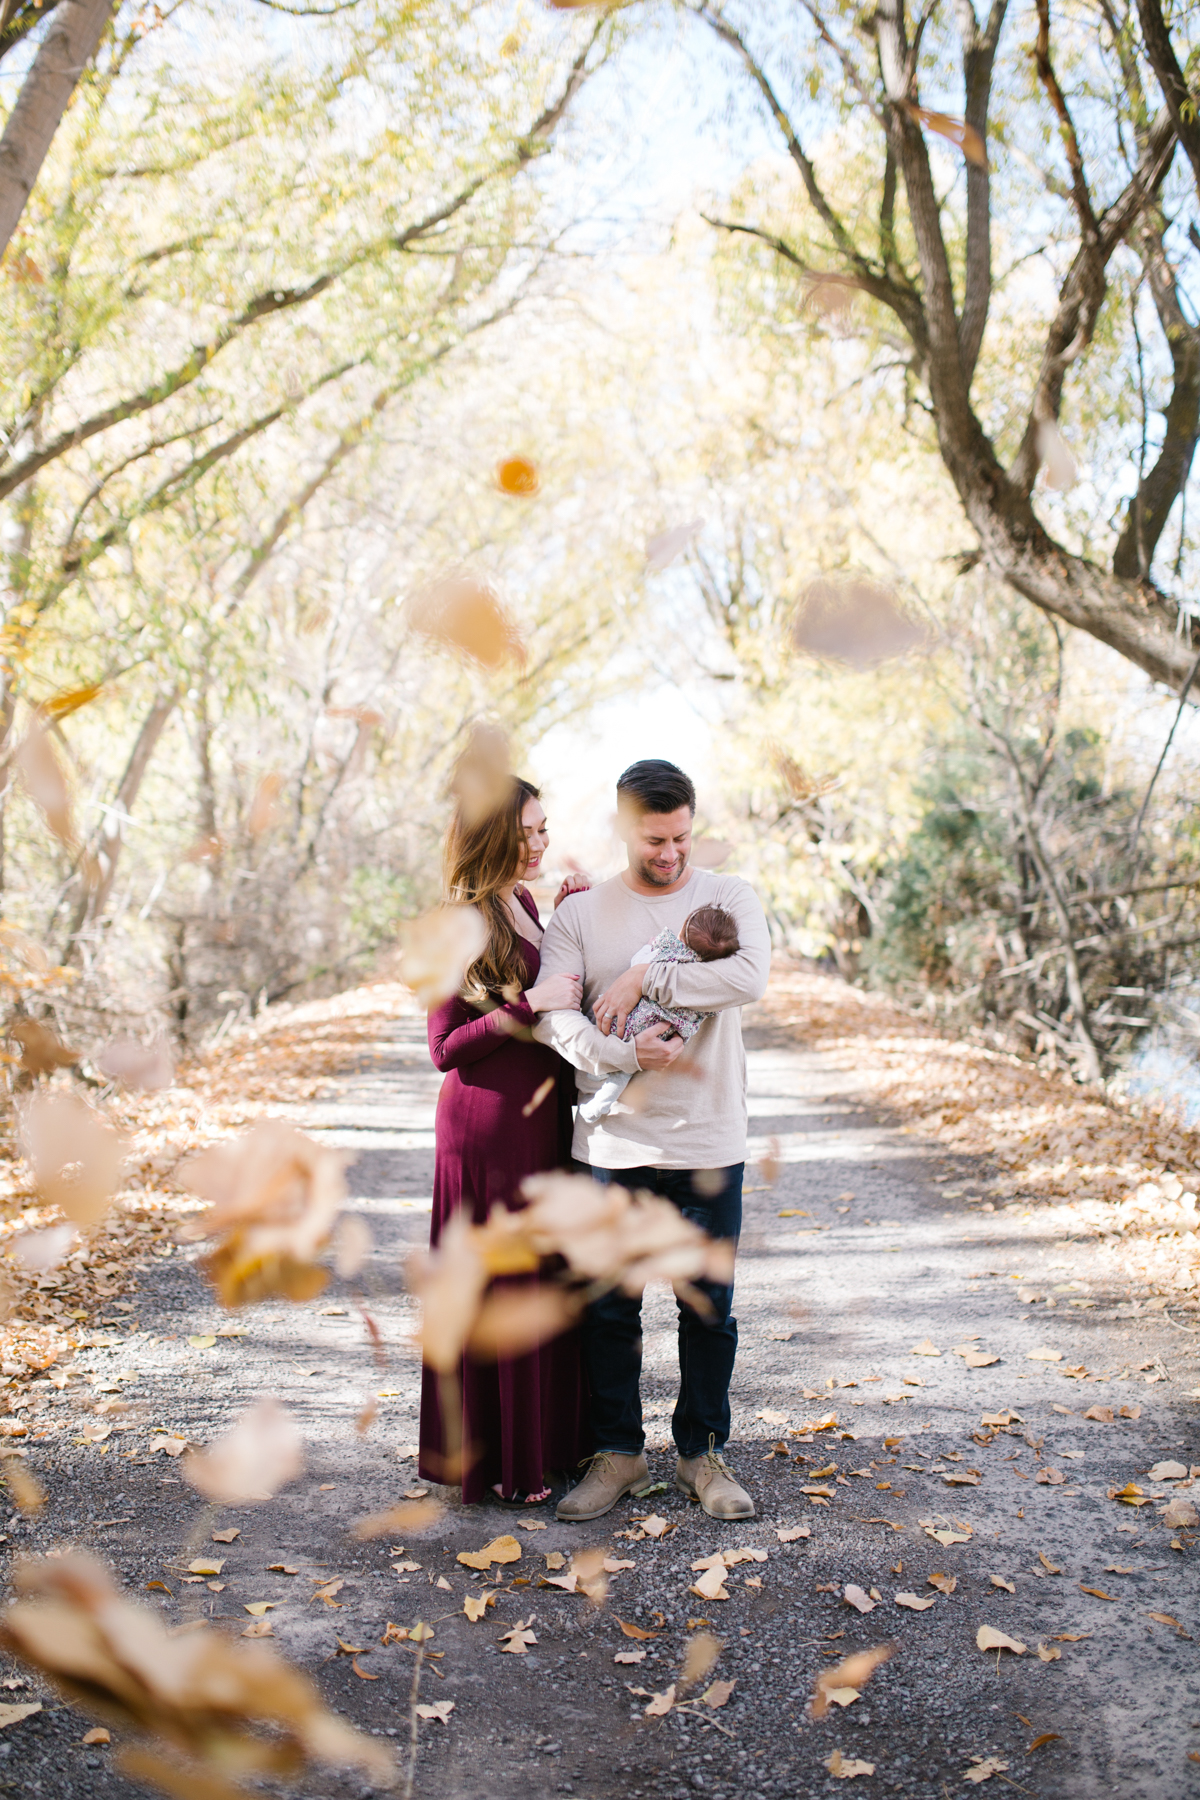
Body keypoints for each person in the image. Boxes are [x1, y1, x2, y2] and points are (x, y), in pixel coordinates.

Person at [532, 759, 771, 1521]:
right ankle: (619, 1455)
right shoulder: (579, 916)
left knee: (708, 1310)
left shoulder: (728, 896)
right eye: (652, 839)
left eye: (680, 838)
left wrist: (646, 982)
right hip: (613, 1147)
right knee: (608, 1308)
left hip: (707, 1142)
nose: (669, 853)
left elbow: (749, 979)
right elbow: (555, 1016)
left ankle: (703, 1455)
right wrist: (622, 1055)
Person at [418, 776, 588, 1506]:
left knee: (542, 1280)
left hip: (538, 1121)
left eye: (545, 828)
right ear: (493, 838)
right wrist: (527, 1007)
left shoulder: (521, 903)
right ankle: (500, 1466)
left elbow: (556, 987)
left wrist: (573, 915)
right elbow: (445, 1046)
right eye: (528, 832)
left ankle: (541, 1449)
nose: (542, 842)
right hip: (486, 1131)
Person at [577, 905, 740, 1122]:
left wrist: (648, 949)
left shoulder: (669, 949)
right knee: (622, 1075)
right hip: (660, 1033)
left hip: (631, 1022)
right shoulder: (705, 972)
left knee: (604, 1015)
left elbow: (638, 967)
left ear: (683, 931)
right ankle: (602, 1095)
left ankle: (601, 1087)